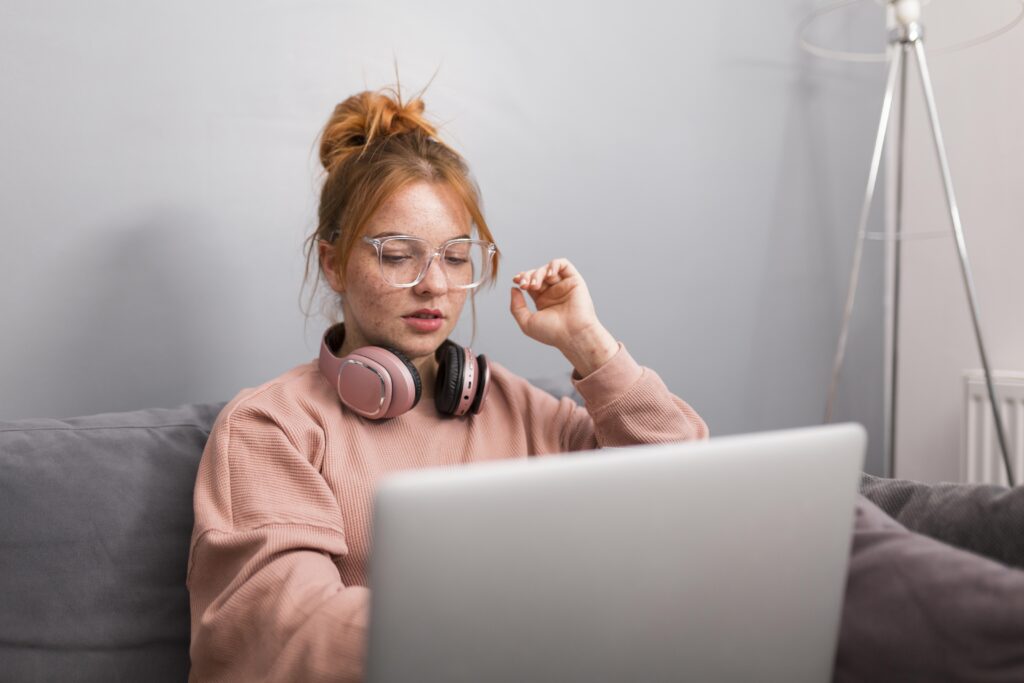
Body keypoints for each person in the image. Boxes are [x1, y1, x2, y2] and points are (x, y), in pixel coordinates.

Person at [185, 87, 708, 682]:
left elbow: (689, 501)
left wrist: (588, 346)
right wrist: (522, 627)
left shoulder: (520, 409)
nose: (434, 285)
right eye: (398, 255)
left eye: (456, 257)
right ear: (334, 264)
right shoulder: (270, 426)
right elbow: (289, 632)